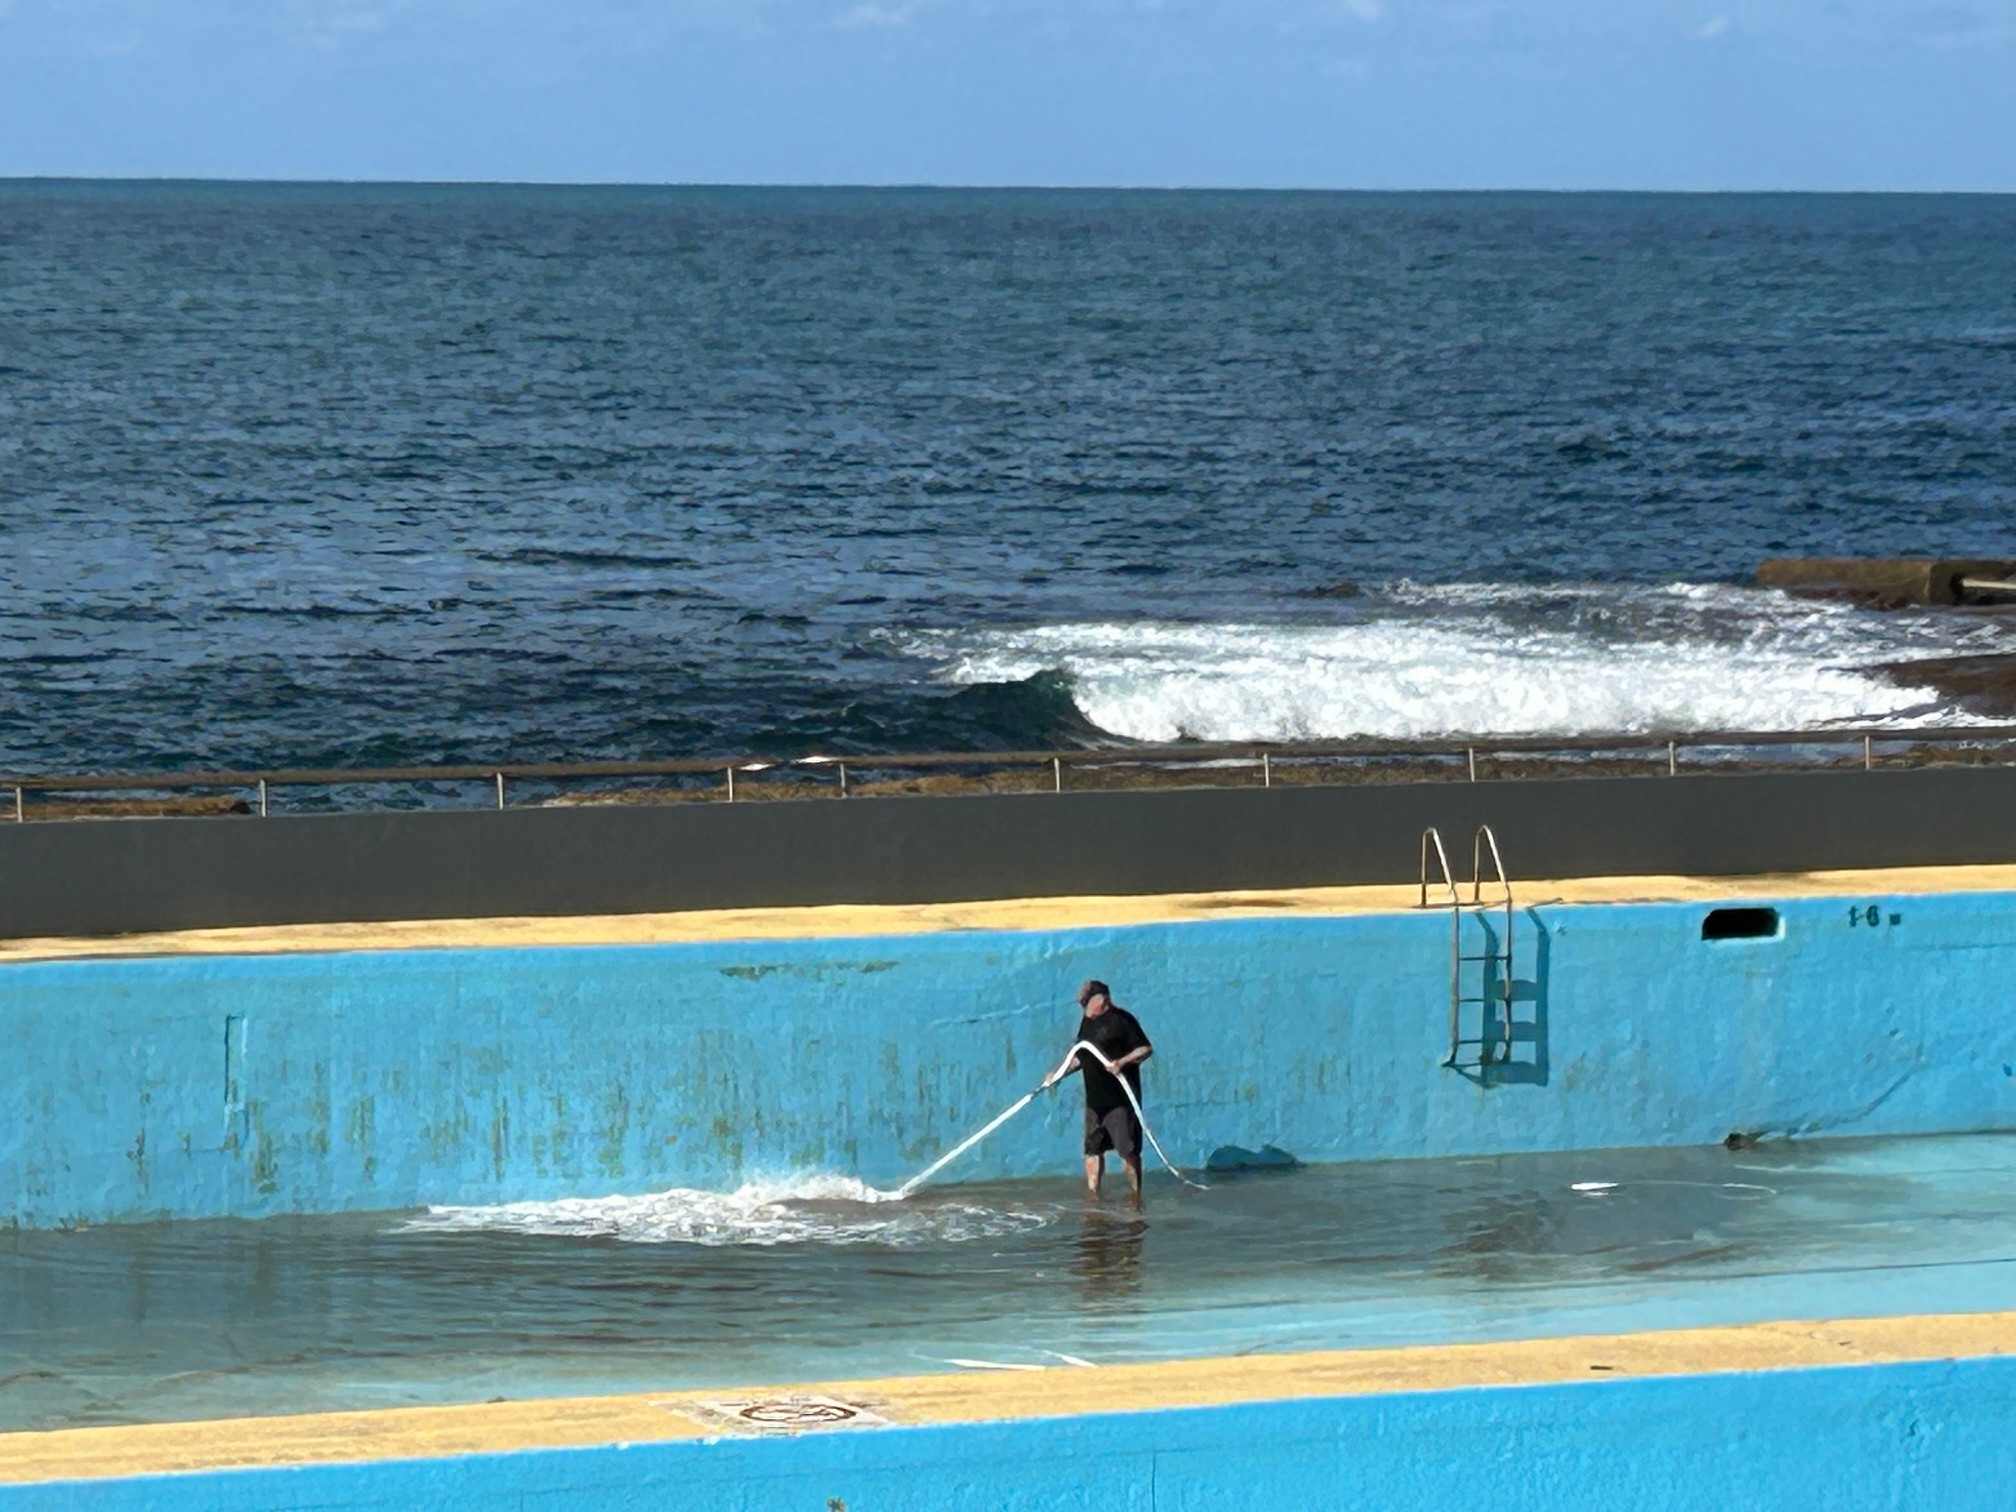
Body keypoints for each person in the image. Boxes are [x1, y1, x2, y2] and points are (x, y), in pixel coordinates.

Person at [1046, 979, 1153, 1200]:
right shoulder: (1087, 1023)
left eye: (1087, 1003)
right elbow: (1080, 1056)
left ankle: (1136, 1196)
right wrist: (1057, 1074)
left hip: (1120, 1101)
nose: (1084, 1009)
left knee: (1128, 1152)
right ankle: (1094, 1196)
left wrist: (1121, 1063)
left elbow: (1145, 1049)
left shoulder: (1122, 1021)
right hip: (1095, 1102)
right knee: (1092, 1151)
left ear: (1101, 999)